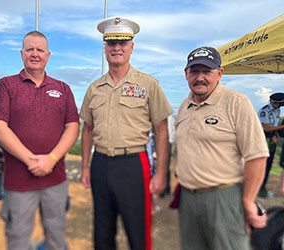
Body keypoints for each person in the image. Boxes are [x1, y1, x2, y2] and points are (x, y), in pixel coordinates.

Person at [80, 16, 173, 250]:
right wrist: (85, 166)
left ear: (132, 47)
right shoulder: (94, 88)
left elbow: (161, 130)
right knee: (102, 232)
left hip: (133, 164)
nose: (117, 48)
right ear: (105, 48)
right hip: (100, 163)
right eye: (111, 43)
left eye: (123, 43)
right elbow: (87, 129)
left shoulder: (148, 84)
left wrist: (161, 173)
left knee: (138, 232)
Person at [0, 30, 79, 250]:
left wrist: (52, 159)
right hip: (19, 182)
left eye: (40, 50)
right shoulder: (6, 85)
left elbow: (72, 127)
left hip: (55, 179)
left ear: (48, 55)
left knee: (56, 235)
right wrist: (31, 160)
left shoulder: (63, 89)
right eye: (30, 49)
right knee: (18, 238)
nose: (35, 54)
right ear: (22, 54)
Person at [175, 46, 269, 250]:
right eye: (194, 71)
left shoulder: (236, 102)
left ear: (219, 73)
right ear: (186, 74)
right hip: (188, 200)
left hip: (224, 199)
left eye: (207, 71)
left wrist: (248, 201)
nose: (200, 78)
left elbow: (257, 155)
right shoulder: (184, 106)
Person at [257, 92, 284, 198]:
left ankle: (262, 187)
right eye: (280, 104)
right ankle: (258, 188)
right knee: (261, 165)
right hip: (262, 139)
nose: (281, 107)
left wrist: (275, 135)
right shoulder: (264, 111)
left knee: (268, 165)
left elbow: (274, 126)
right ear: (275, 103)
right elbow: (267, 128)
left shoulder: (277, 110)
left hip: (271, 139)